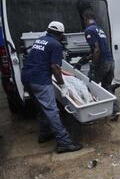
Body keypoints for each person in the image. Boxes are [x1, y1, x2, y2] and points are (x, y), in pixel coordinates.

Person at [21, 21, 83, 153]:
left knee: (42, 108)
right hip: (40, 81)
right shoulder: (56, 44)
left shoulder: (40, 40)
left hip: (26, 78)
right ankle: (64, 143)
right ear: (61, 34)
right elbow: (55, 66)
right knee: (52, 111)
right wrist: (62, 85)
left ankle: (45, 133)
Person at [74, 10, 120, 121]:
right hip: (110, 62)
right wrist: (83, 60)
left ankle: (90, 116)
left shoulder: (89, 30)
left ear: (85, 19)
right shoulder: (99, 29)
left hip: (102, 63)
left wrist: (93, 66)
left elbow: (96, 50)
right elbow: (98, 50)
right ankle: (115, 111)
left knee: (89, 86)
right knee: (107, 87)